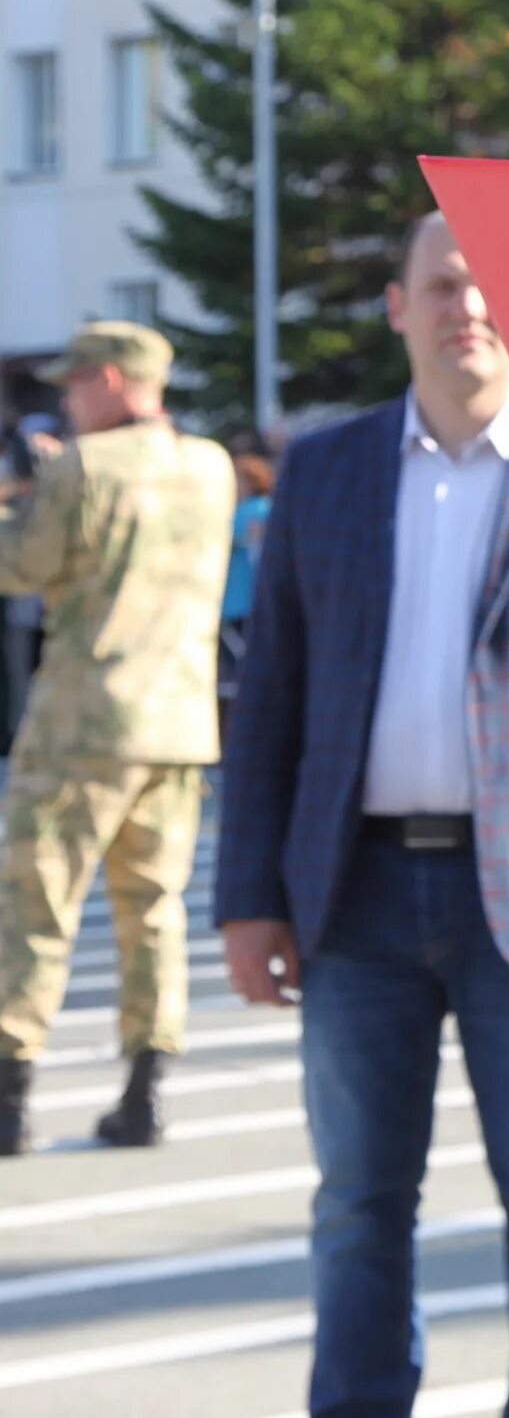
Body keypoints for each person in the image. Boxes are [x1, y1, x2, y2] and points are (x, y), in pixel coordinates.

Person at [218, 213, 509, 1418]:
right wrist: (250, 895)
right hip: (350, 896)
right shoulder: (327, 469)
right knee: (358, 1202)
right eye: (444, 284)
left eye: (492, 287)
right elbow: (272, 696)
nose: (469, 307)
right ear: (399, 307)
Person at [0, 322, 232, 1153]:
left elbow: (23, 568)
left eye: (74, 384)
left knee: (37, 905)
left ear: (108, 380)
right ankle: (145, 1090)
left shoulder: (82, 467)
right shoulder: (211, 467)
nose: (66, 398)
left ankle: (11, 1093)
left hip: (81, 720)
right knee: (154, 911)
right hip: (177, 723)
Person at [221, 439, 276, 701]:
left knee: (240, 673)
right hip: (258, 600)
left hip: (238, 601)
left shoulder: (246, 512)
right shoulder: (270, 508)